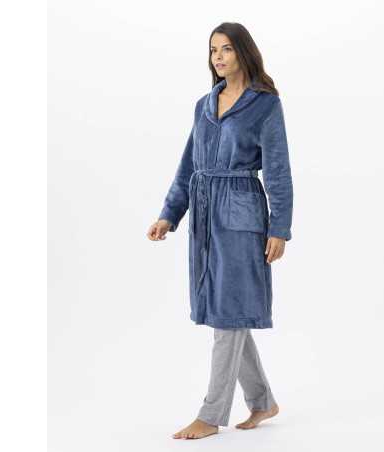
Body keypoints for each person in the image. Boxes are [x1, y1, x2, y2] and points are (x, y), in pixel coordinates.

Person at [147, 22, 293, 440]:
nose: (218, 57)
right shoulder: (204, 105)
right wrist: (169, 214)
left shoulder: (265, 105)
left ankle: (211, 414)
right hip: (204, 217)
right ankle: (262, 401)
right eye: (213, 50)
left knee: (229, 309)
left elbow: (278, 171)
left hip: (243, 215)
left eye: (227, 49)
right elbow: (188, 165)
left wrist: (279, 228)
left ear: (243, 52)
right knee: (226, 310)